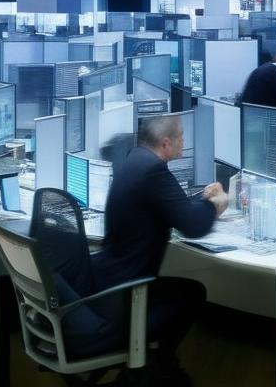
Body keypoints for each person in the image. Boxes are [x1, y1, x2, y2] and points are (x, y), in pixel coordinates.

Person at [93, 114, 229, 385]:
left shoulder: (136, 160)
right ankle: (153, 367)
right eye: (180, 137)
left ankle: (155, 362)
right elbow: (193, 227)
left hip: (108, 281)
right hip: (127, 291)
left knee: (182, 291)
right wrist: (217, 204)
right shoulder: (154, 171)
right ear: (166, 143)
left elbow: (168, 206)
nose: (184, 141)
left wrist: (199, 200)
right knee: (192, 293)